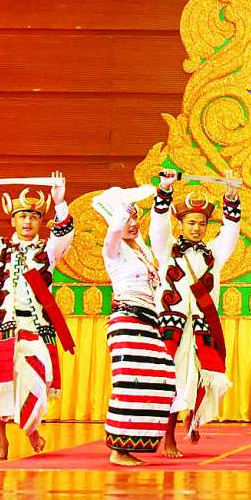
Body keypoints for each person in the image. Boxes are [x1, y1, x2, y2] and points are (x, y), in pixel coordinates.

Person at [0, 169, 74, 461]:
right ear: (12, 220)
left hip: (35, 328)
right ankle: (1, 441)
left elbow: (64, 236)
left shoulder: (47, 252)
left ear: (40, 221)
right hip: (1, 327)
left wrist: (60, 202)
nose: (27, 222)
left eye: (34, 217)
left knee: (38, 379)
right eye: (22, 216)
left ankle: (30, 428)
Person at [150, 169, 242, 457]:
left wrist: (231, 197)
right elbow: (157, 227)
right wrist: (165, 190)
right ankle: (168, 437)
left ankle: (194, 419)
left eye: (202, 224)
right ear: (181, 224)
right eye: (191, 223)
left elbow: (231, 233)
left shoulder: (213, 253)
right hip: (173, 326)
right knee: (174, 379)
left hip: (202, 326)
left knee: (203, 376)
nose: (196, 229)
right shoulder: (167, 250)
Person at [97, 185, 177, 466]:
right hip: (127, 319)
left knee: (164, 377)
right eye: (127, 218)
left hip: (149, 321)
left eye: (135, 217)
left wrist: (162, 192)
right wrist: (122, 210)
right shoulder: (112, 249)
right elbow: (114, 230)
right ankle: (118, 449)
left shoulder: (141, 249)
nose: (132, 223)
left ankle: (133, 442)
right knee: (129, 381)